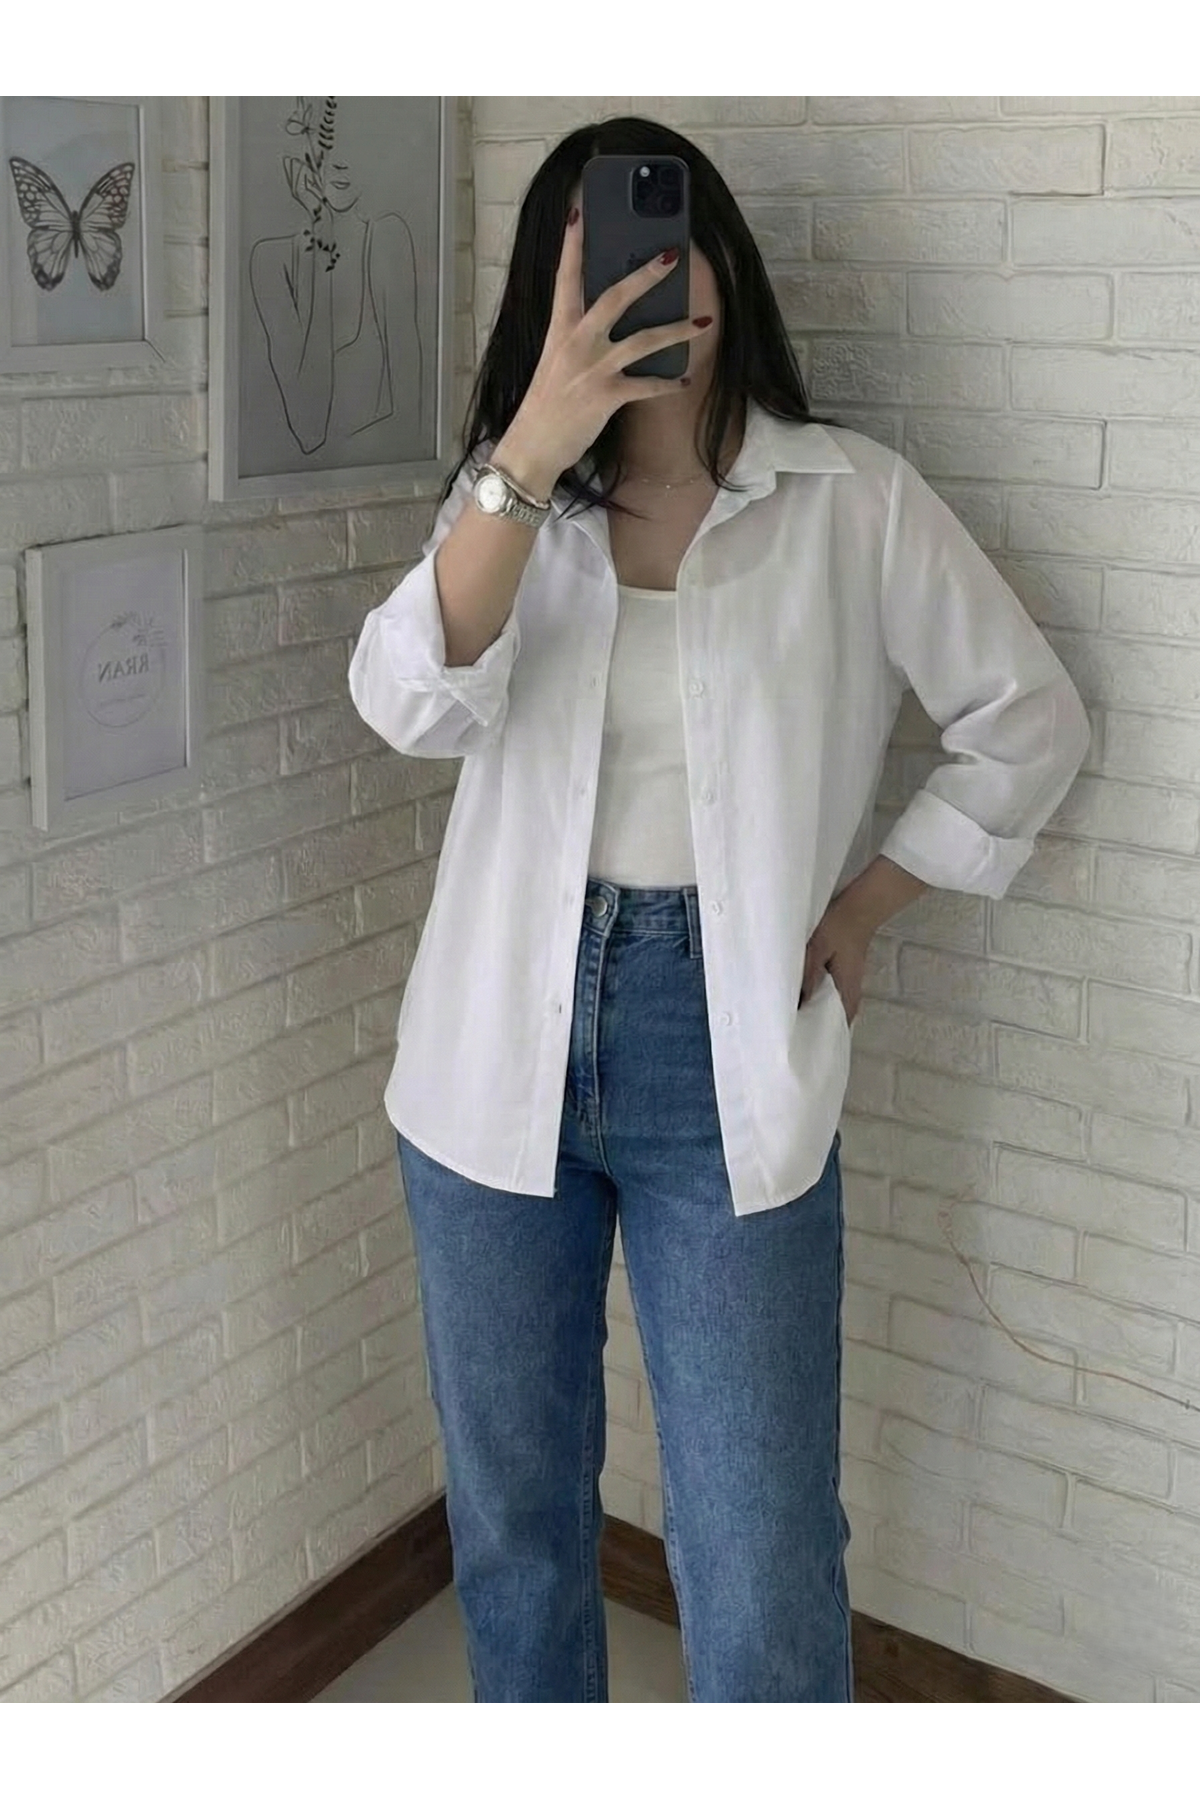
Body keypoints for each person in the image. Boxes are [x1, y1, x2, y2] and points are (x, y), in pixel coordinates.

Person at [348, 117, 1091, 1705]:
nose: (646, 278)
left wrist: (872, 902)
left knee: (759, 1547)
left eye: (668, 238)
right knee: (517, 1528)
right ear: (547, 296)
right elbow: (404, 702)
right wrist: (532, 446)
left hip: (731, 1044)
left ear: (727, 266)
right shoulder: (511, 510)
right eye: (598, 260)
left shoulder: (853, 502)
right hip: (491, 1050)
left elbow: (1030, 720)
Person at [250, 95, 423, 461]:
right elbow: (309, 430)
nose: (342, 160)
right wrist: (321, 233)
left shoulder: (387, 239)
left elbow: (412, 416)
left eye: (360, 140)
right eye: (327, 139)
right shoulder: (269, 261)